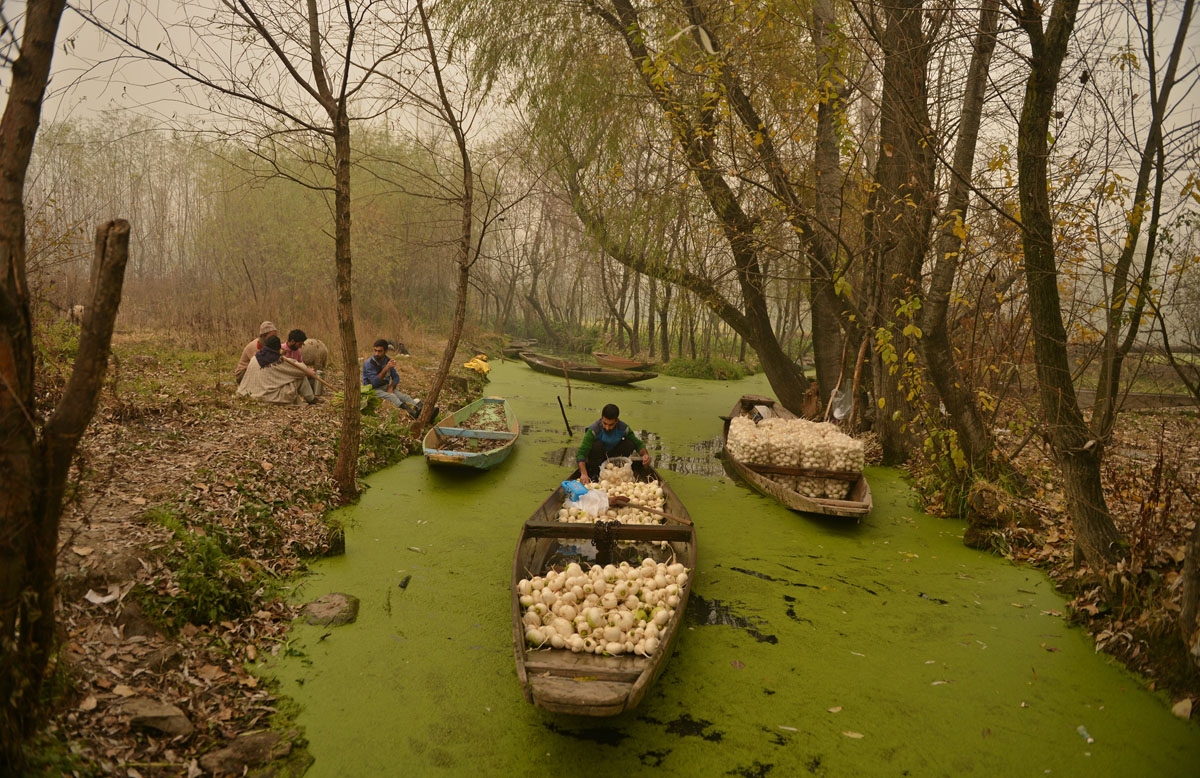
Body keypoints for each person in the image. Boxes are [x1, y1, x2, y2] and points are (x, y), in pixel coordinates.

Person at [576, 403, 650, 484]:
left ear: (616, 421)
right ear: (602, 418)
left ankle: (617, 470)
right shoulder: (593, 430)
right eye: (605, 423)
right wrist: (584, 473)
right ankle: (595, 473)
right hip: (597, 459)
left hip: (613, 457)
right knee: (597, 445)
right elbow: (581, 454)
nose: (607, 428)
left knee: (629, 443)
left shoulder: (623, 428)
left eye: (611, 425)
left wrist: (645, 454)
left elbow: (638, 444)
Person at [237, 334, 321, 405]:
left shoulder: (255, 358)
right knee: (300, 376)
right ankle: (311, 399)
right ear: (277, 349)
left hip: (247, 394)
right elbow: (302, 369)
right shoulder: (278, 360)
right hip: (270, 397)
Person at [362, 339, 423, 418]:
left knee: (404, 397)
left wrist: (391, 387)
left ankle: (420, 409)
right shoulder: (369, 363)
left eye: (380, 351)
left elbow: (396, 377)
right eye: (375, 350)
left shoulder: (387, 360)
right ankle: (412, 413)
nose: (376, 353)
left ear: (385, 351)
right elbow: (374, 382)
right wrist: (386, 368)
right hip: (373, 389)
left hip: (385, 387)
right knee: (392, 397)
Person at [283, 328, 321, 396]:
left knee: (312, 376)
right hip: (285, 377)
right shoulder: (281, 349)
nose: (300, 346)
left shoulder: (298, 352)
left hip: (296, 375)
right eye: (299, 344)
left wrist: (309, 371)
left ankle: (312, 394)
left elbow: (302, 365)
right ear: (292, 341)